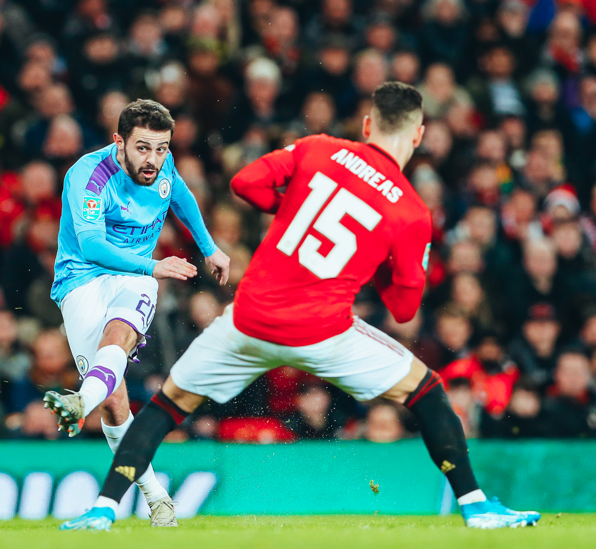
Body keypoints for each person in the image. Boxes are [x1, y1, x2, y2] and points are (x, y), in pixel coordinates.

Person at [61, 83, 540, 531]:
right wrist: (392, 261)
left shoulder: (319, 148)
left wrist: (291, 210)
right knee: (428, 392)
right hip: (322, 331)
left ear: (368, 125)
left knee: (165, 407)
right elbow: (404, 308)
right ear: (417, 134)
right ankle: (475, 506)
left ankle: (104, 509)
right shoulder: (412, 212)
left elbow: (246, 183)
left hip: (248, 320)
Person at [43, 99, 230, 527]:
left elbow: (179, 196)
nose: (154, 160)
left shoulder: (161, 168)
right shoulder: (88, 176)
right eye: (143, 148)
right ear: (119, 142)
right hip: (81, 282)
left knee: (118, 339)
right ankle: (158, 497)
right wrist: (154, 264)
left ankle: (77, 403)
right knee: (113, 400)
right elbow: (90, 245)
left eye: (162, 148)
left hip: (135, 280)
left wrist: (210, 248)